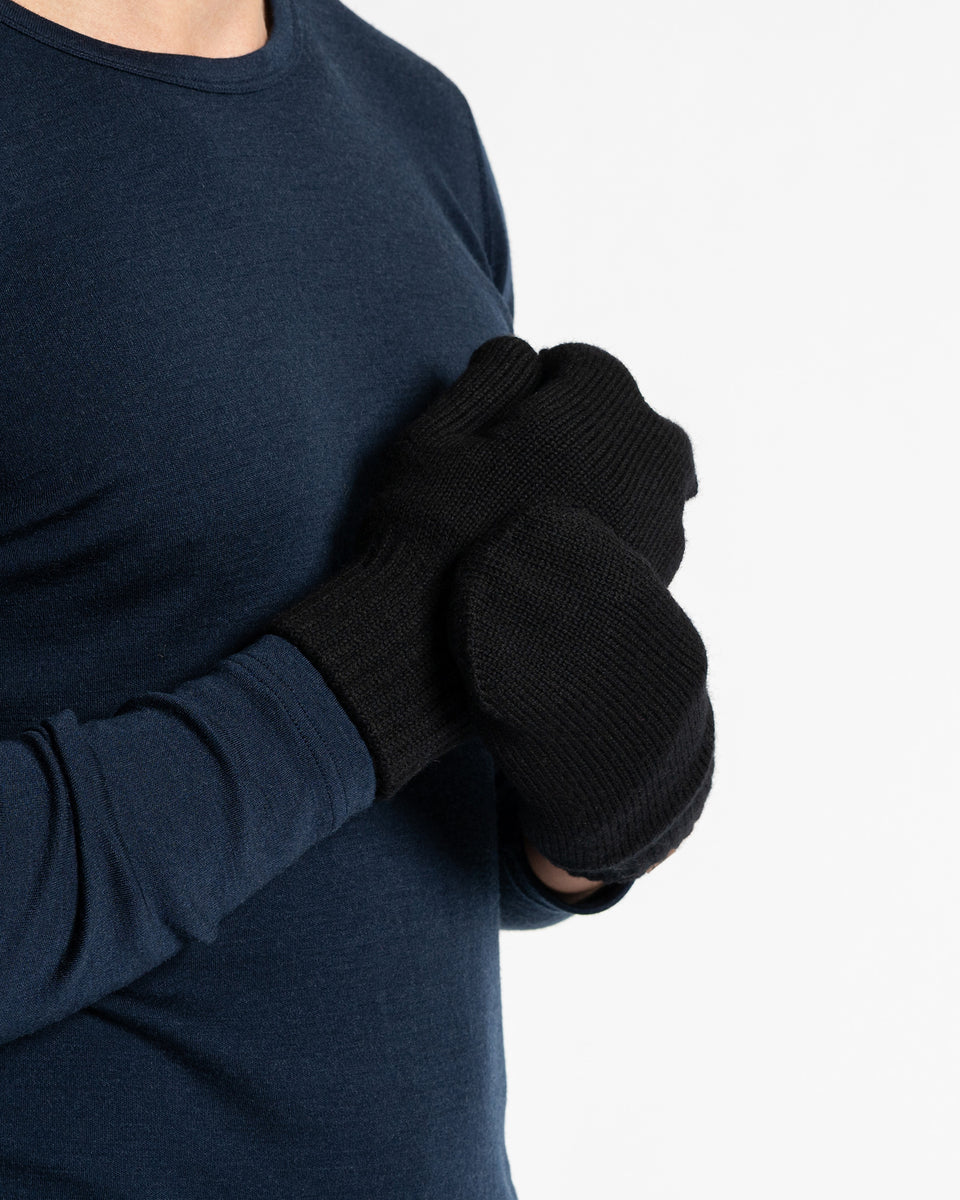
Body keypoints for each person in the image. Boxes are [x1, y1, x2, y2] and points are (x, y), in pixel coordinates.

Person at [0, 0, 715, 1194]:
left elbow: (393, 846)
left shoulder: (411, 117)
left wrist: (597, 809)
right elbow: (366, 698)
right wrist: (366, 673)